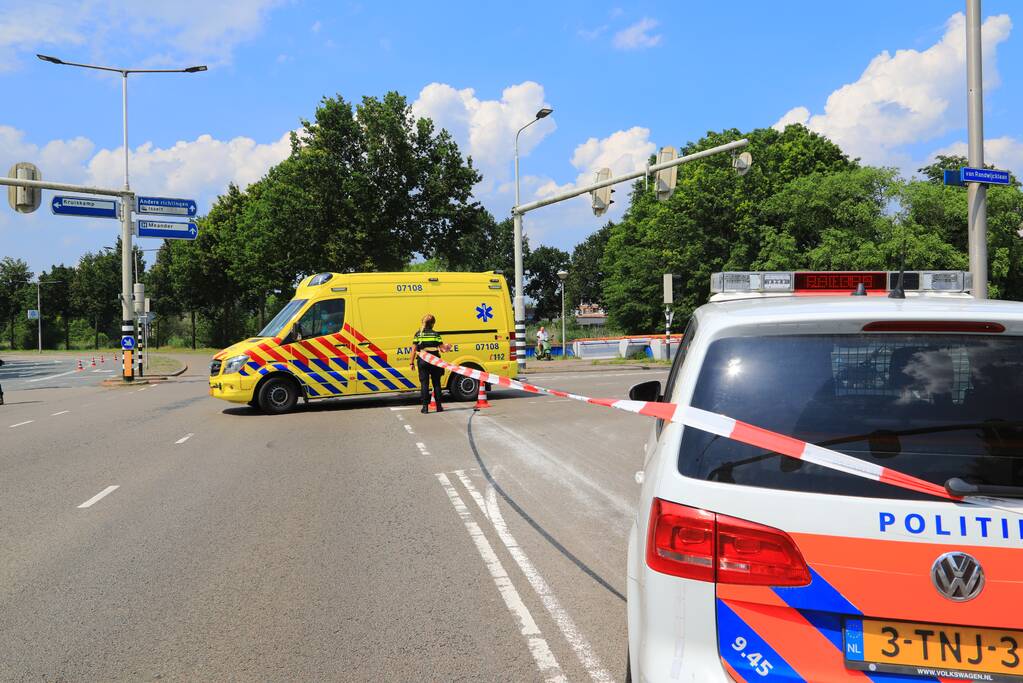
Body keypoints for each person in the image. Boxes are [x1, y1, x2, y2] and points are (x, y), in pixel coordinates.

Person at [411, 314, 452, 413]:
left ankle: (425, 407)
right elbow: (442, 349)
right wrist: (448, 347)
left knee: (424, 384)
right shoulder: (435, 334)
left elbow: (413, 349)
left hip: (423, 360)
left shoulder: (418, 334)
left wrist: (411, 363)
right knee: (436, 383)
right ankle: (438, 406)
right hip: (435, 361)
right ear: (433, 324)